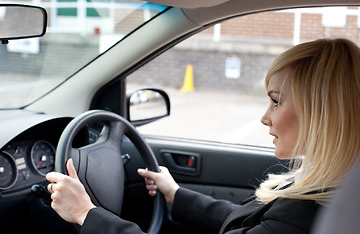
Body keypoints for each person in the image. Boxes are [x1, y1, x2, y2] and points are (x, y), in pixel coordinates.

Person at [46, 38, 360, 234]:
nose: (265, 117)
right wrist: (175, 193)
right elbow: (246, 222)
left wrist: (86, 214)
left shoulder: (309, 210)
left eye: (276, 101)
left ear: (322, 114)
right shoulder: (326, 190)